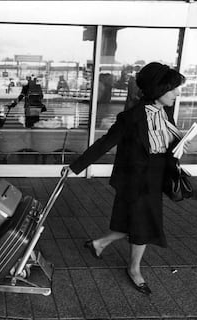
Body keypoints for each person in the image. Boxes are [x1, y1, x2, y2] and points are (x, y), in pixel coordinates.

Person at [63, 62, 189, 295]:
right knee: (143, 223)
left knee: (134, 221)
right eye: (173, 89)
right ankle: (134, 269)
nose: (177, 93)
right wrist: (75, 167)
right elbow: (105, 143)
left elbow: (163, 140)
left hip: (156, 175)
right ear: (158, 89)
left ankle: (99, 244)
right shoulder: (131, 117)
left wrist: (179, 144)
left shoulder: (166, 111)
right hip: (135, 179)